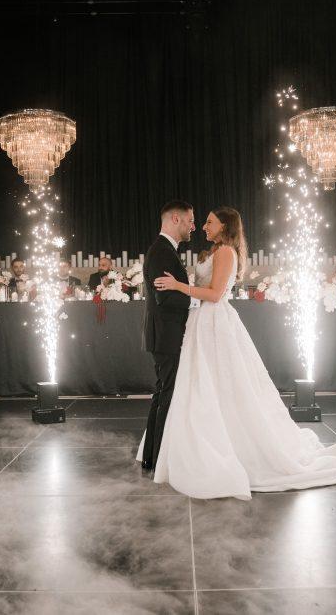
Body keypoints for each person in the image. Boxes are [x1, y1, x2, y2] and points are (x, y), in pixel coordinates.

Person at [140, 206, 336, 499]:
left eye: (209, 222)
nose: (202, 226)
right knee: (200, 386)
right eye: (201, 222)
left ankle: (224, 446)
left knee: (220, 385)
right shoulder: (213, 251)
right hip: (200, 323)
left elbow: (215, 294)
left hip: (214, 322)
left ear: (225, 226)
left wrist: (179, 285)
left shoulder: (225, 252)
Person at [139, 200, 195, 471]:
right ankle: (160, 458)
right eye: (190, 221)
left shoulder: (164, 249)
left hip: (164, 333)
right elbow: (166, 297)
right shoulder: (162, 251)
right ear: (175, 219)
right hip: (166, 334)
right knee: (167, 394)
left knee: (163, 393)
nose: (193, 227)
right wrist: (199, 299)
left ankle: (153, 456)